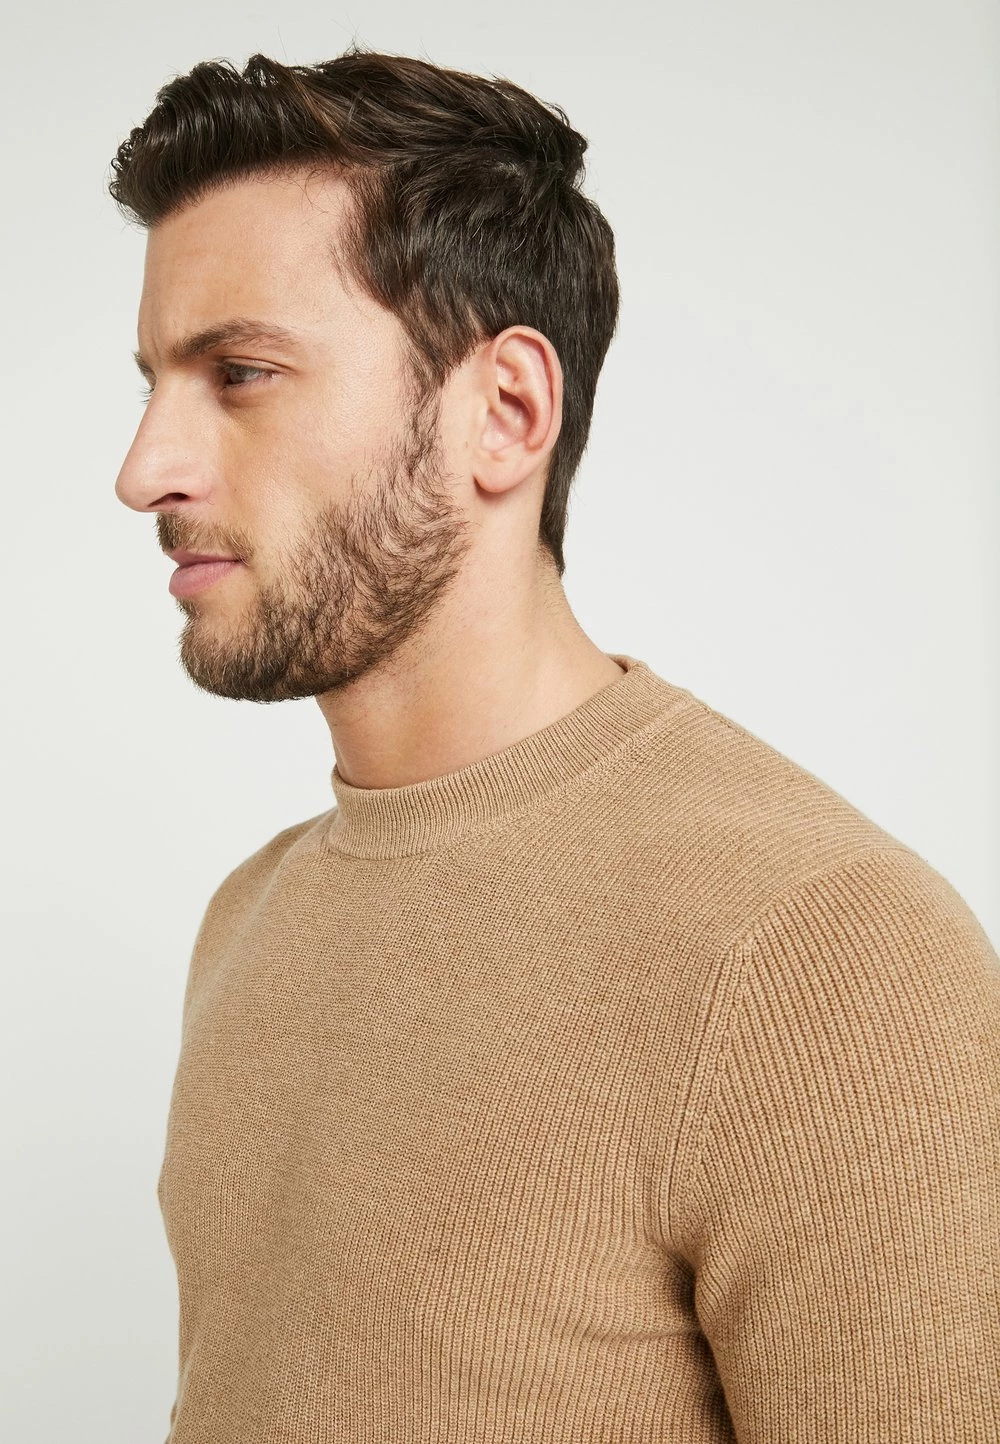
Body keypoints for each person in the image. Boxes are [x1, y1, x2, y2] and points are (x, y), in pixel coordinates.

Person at [109, 46, 999, 1444]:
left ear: (506, 412)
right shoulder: (250, 918)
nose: (144, 469)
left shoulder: (817, 949)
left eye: (242, 373)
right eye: (154, 384)